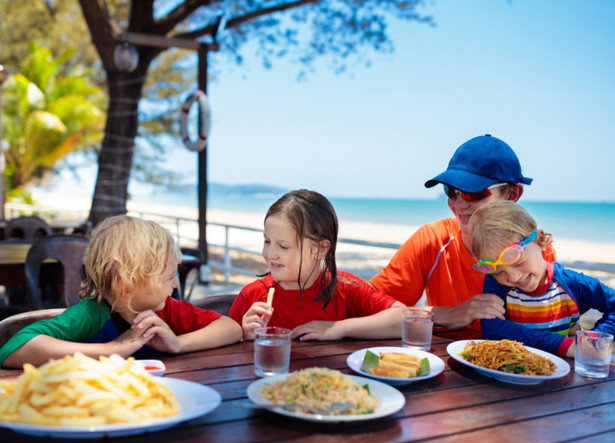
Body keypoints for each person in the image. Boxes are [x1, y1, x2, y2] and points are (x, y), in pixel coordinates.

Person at [0, 215, 243, 368]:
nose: (176, 285)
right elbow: (13, 348)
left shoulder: (167, 310)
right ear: (128, 282)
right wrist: (112, 349)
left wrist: (177, 344)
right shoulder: (91, 314)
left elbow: (231, 328)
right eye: (169, 276)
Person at [370, 134, 556, 331]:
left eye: (473, 193)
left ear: (511, 195)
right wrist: (446, 314)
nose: (458, 204)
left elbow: (559, 321)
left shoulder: (538, 249)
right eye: (451, 191)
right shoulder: (433, 240)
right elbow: (369, 304)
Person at [228, 189, 406, 341]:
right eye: (267, 241)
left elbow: (405, 319)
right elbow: (225, 355)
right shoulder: (252, 296)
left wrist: (339, 328)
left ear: (321, 249)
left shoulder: (346, 288)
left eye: (283, 246)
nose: (270, 253)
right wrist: (244, 335)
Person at [469, 200, 615, 357]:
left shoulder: (571, 284)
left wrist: (592, 339)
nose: (512, 277)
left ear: (541, 239)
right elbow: (493, 329)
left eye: (518, 262)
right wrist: (562, 345)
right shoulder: (497, 285)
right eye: (498, 272)